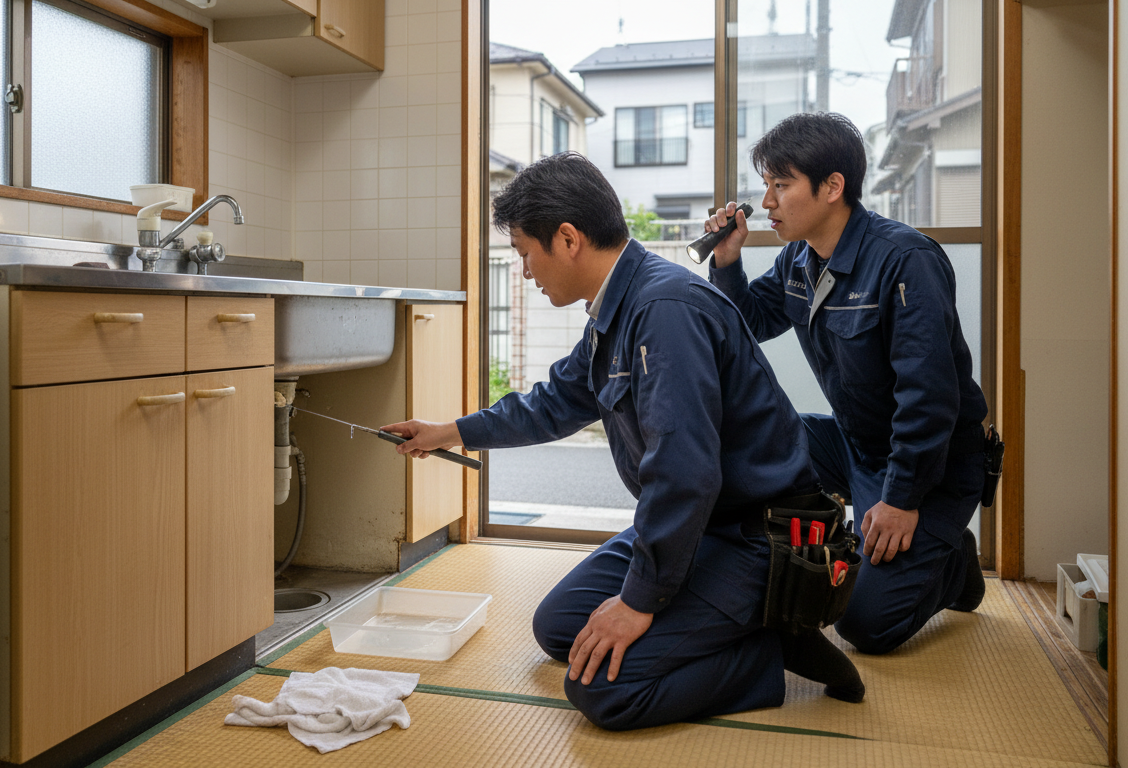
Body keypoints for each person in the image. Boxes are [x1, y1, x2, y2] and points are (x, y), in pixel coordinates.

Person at [383, 152, 863, 731]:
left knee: (605, 689)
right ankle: (726, 622)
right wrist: (449, 432)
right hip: (703, 524)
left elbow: (683, 473)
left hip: (755, 536)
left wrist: (639, 602)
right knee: (561, 627)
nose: (525, 272)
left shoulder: (663, 311)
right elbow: (554, 402)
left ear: (568, 239)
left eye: (525, 254)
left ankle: (769, 649)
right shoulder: (618, 306)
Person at [702, 112, 989, 656]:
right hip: (857, 443)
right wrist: (727, 261)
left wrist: (901, 500)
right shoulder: (799, 258)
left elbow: (929, 399)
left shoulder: (906, 261)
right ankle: (817, 548)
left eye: (781, 185)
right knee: (742, 439)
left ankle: (952, 564)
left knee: (864, 624)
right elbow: (749, 323)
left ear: (832, 187)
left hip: (932, 464)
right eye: (766, 185)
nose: (767, 202)